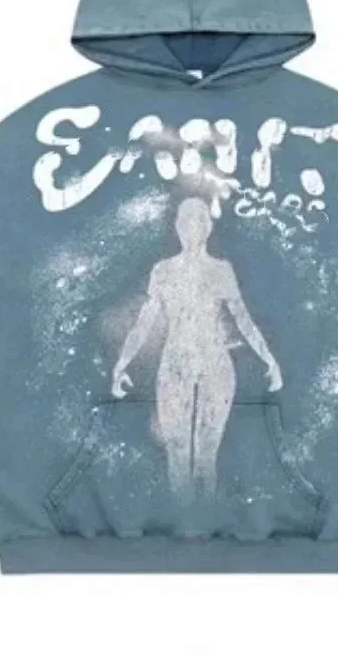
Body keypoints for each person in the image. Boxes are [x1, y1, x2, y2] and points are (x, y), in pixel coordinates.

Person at [112, 197, 283, 496]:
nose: (192, 227)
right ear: (177, 226)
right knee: (177, 456)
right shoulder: (163, 271)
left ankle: (205, 518)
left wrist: (269, 359)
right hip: (175, 364)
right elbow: (144, 322)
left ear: (208, 227)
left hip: (215, 364)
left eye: (199, 219)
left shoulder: (221, 270)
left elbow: (243, 319)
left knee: (206, 457)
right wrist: (121, 363)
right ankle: (181, 519)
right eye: (186, 220)